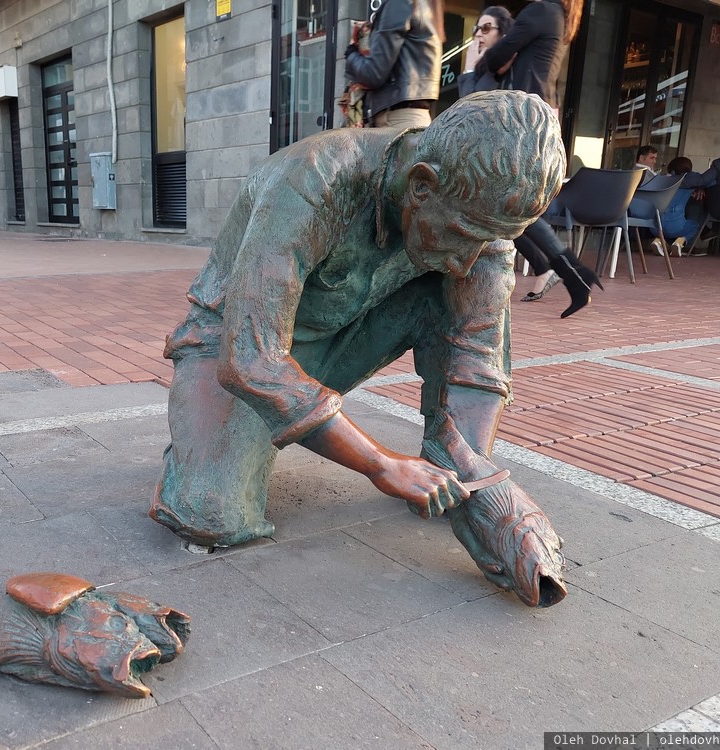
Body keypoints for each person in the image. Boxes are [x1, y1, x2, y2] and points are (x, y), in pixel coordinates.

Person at [149, 90, 565, 569]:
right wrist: (380, 464)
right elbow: (250, 359)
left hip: (344, 332)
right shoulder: (312, 180)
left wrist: (480, 483)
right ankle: (193, 454)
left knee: (461, 289)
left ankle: (444, 458)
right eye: (461, 236)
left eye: (487, 241)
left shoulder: (479, 216)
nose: (466, 261)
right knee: (211, 513)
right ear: (421, 186)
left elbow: (478, 354)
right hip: (236, 346)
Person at [482, 0, 597, 318]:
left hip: (522, 118)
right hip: (534, 117)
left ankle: (571, 274)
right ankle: (571, 274)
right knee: (511, 204)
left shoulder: (541, 11)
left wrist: (498, 56)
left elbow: (494, 58)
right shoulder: (560, 16)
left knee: (512, 203)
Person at [344, 0, 444, 129]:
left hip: (395, 121)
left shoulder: (399, 3)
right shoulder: (425, 5)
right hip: (412, 117)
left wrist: (351, 54)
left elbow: (373, 73)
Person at [648, 156, 703, 257]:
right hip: (676, 227)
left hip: (654, 227)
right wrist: (700, 188)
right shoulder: (689, 184)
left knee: (665, 223)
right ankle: (680, 241)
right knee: (695, 223)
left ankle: (659, 240)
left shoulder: (660, 180)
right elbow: (705, 180)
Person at [458, 7, 514, 97]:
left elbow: (471, 105)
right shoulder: (482, 66)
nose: (478, 34)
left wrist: (469, 68)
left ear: (502, 33)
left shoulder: (507, 66)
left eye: (486, 28)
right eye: (477, 29)